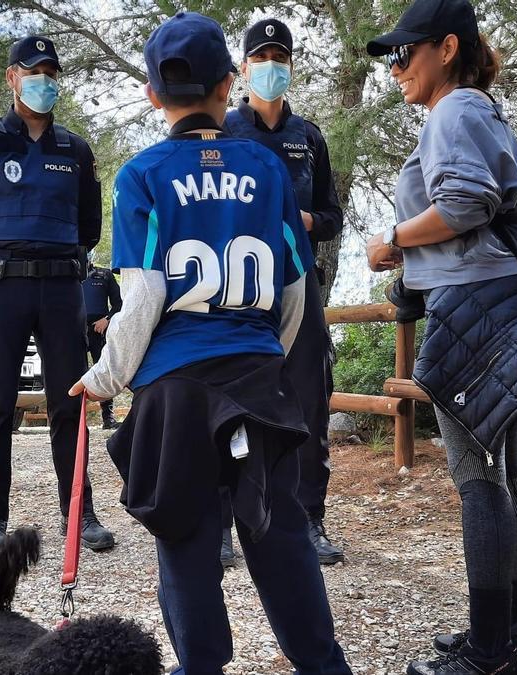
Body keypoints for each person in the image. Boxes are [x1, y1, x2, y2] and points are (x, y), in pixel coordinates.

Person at [70, 13, 352, 674]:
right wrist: (263, 358)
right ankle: (324, 664)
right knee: (282, 533)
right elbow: (294, 290)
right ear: (231, 85)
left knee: (188, 538)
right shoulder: (266, 166)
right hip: (257, 375)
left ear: (151, 96)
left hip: (175, 390)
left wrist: (107, 377)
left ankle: (200, 666)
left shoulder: (142, 175)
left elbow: (140, 298)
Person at [364, 1, 517, 673]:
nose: (394, 69)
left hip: (474, 307)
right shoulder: (476, 109)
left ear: (445, 47)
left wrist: (391, 240)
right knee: (510, 471)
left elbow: (466, 202)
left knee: (479, 477)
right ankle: (514, 627)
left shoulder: (453, 111)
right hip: (500, 301)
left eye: (403, 53)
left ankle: (489, 653)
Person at [0, 35, 114, 555]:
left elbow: (91, 223)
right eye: (32, 71)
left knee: (70, 405)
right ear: (12, 78)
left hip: (62, 288)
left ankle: (80, 514)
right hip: (2, 288)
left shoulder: (76, 150)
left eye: (50, 72)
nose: (42, 80)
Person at [223, 17, 346, 567]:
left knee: (309, 403)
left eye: (281, 56)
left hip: (299, 285)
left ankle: (309, 518)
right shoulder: (224, 132)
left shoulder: (309, 137)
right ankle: (225, 518)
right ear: (243, 67)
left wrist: (303, 221)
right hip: (237, 288)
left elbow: (333, 217)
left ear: (291, 67)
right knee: (227, 401)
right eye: (261, 56)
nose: (271, 65)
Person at [82, 256, 122, 429]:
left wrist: (107, 319)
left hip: (99, 330)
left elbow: (120, 303)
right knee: (74, 372)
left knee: (104, 371)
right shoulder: (67, 276)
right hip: (74, 332)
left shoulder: (104, 274)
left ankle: (108, 417)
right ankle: (75, 418)